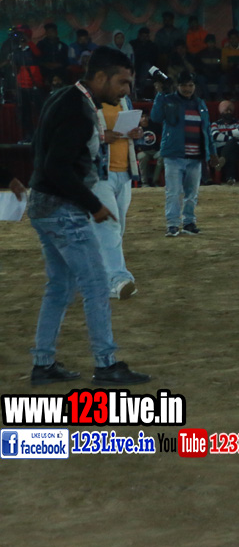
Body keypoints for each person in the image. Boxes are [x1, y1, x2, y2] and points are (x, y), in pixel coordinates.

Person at [25, 47, 150, 386]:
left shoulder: (63, 97)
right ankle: (106, 365)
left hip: (43, 205)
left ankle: (43, 364)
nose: (125, 90)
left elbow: (41, 152)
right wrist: (93, 205)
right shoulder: (79, 111)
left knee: (59, 286)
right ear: (100, 77)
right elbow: (57, 166)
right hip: (63, 209)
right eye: (121, 82)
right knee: (95, 284)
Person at [151, 70, 215, 237]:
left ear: (194, 86)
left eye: (190, 85)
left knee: (191, 193)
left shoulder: (200, 103)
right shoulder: (168, 99)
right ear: (177, 86)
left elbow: (206, 130)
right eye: (184, 85)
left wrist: (212, 152)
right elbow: (155, 117)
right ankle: (173, 224)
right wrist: (160, 94)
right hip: (174, 156)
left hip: (195, 157)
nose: (187, 88)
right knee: (173, 193)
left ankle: (188, 222)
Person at [91, 93, 143, 299]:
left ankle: (101, 276)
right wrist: (101, 136)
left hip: (124, 171)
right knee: (110, 226)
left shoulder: (124, 100)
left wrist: (137, 133)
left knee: (117, 228)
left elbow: (130, 134)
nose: (126, 87)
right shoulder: (87, 101)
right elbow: (74, 136)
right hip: (99, 173)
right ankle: (117, 278)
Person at [210, 100, 239, 184]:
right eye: (226, 110)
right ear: (221, 111)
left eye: (230, 110)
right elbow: (215, 135)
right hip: (220, 148)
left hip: (236, 147)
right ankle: (230, 178)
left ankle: (222, 160)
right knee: (230, 151)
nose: (228, 112)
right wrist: (232, 136)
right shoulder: (215, 123)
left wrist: (223, 134)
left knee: (232, 145)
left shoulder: (238, 122)